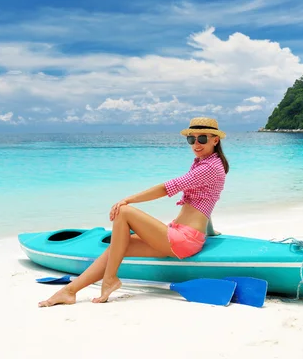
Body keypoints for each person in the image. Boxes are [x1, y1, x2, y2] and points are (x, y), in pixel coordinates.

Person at [38, 117, 229, 307]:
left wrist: (128, 199)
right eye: (191, 139)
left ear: (215, 140)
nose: (196, 144)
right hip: (181, 235)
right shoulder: (207, 163)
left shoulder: (209, 167)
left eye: (202, 138)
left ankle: (110, 278)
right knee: (119, 246)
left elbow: (167, 188)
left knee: (124, 211)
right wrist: (210, 231)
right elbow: (206, 201)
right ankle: (69, 291)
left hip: (184, 240)